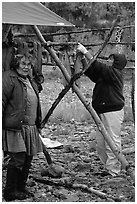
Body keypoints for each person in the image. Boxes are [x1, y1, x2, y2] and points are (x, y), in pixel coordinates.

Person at [77, 43, 127, 177]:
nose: (109, 61)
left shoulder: (114, 73)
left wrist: (86, 51)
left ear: (117, 63)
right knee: (101, 142)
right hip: (102, 111)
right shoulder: (107, 74)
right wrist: (82, 58)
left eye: (112, 60)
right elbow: (92, 71)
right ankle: (108, 167)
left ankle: (114, 170)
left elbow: (98, 66)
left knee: (112, 140)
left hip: (112, 112)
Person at [2, 53, 44, 201]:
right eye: (23, 64)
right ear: (16, 64)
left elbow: (35, 103)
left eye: (29, 65)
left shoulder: (29, 80)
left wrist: (38, 124)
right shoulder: (8, 78)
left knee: (27, 158)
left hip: (29, 127)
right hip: (15, 127)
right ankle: (10, 191)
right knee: (17, 159)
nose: (26, 67)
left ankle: (21, 187)